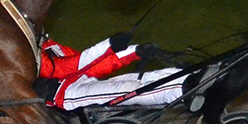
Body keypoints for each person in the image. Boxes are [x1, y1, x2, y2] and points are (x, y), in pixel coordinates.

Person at [36, 31, 188, 110]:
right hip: (66, 95)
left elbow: (91, 68)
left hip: (85, 82)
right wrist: (107, 45)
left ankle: (188, 78)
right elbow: (61, 69)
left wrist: (135, 51)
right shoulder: (28, 54)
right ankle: (183, 89)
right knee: (130, 89)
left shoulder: (48, 44)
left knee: (146, 78)